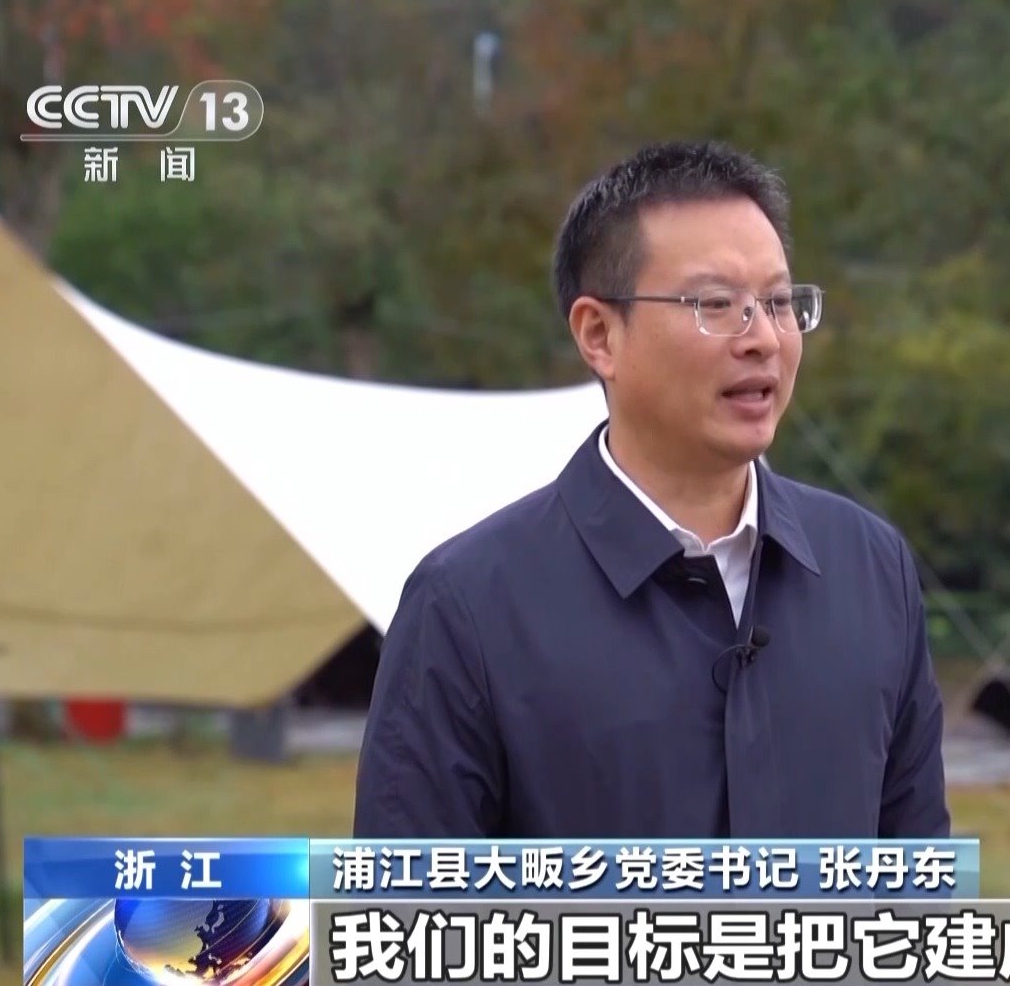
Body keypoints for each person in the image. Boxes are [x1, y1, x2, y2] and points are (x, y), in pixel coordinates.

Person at [352, 142, 950, 839]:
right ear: (599, 334)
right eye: (716, 304)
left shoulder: (871, 568)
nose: (762, 338)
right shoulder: (467, 605)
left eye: (779, 302)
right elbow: (410, 898)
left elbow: (916, 878)